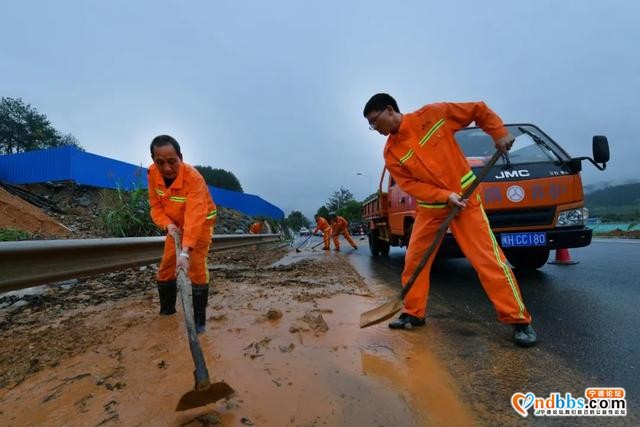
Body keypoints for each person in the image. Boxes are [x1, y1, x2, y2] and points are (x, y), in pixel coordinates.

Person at [362, 93, 536, 347]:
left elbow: (478, 109)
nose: (375, 129)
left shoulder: (433, 115)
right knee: (414, 262)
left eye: (375, 121)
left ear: (390, 110)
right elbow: (411, 185)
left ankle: (519, 321)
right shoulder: (391, 152)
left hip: (466, 203)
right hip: (431, 209)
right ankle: (413, 312)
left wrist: (498, 133)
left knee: (488, 261)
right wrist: (444, 196)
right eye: (371, 125)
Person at [147, 135, 217, 334]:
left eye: (172, 161)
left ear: (181, 157)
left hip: (201, 223)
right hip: (176, 225)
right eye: (160, 162)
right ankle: (167, 313)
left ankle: (199, 323)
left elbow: (195, 217)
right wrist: (167, 225)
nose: (167, 168)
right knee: (166, 267)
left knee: (196, 267)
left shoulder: (194, 178)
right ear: (153, 160)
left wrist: (185, 252)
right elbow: (155, 206)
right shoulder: (152, 174)